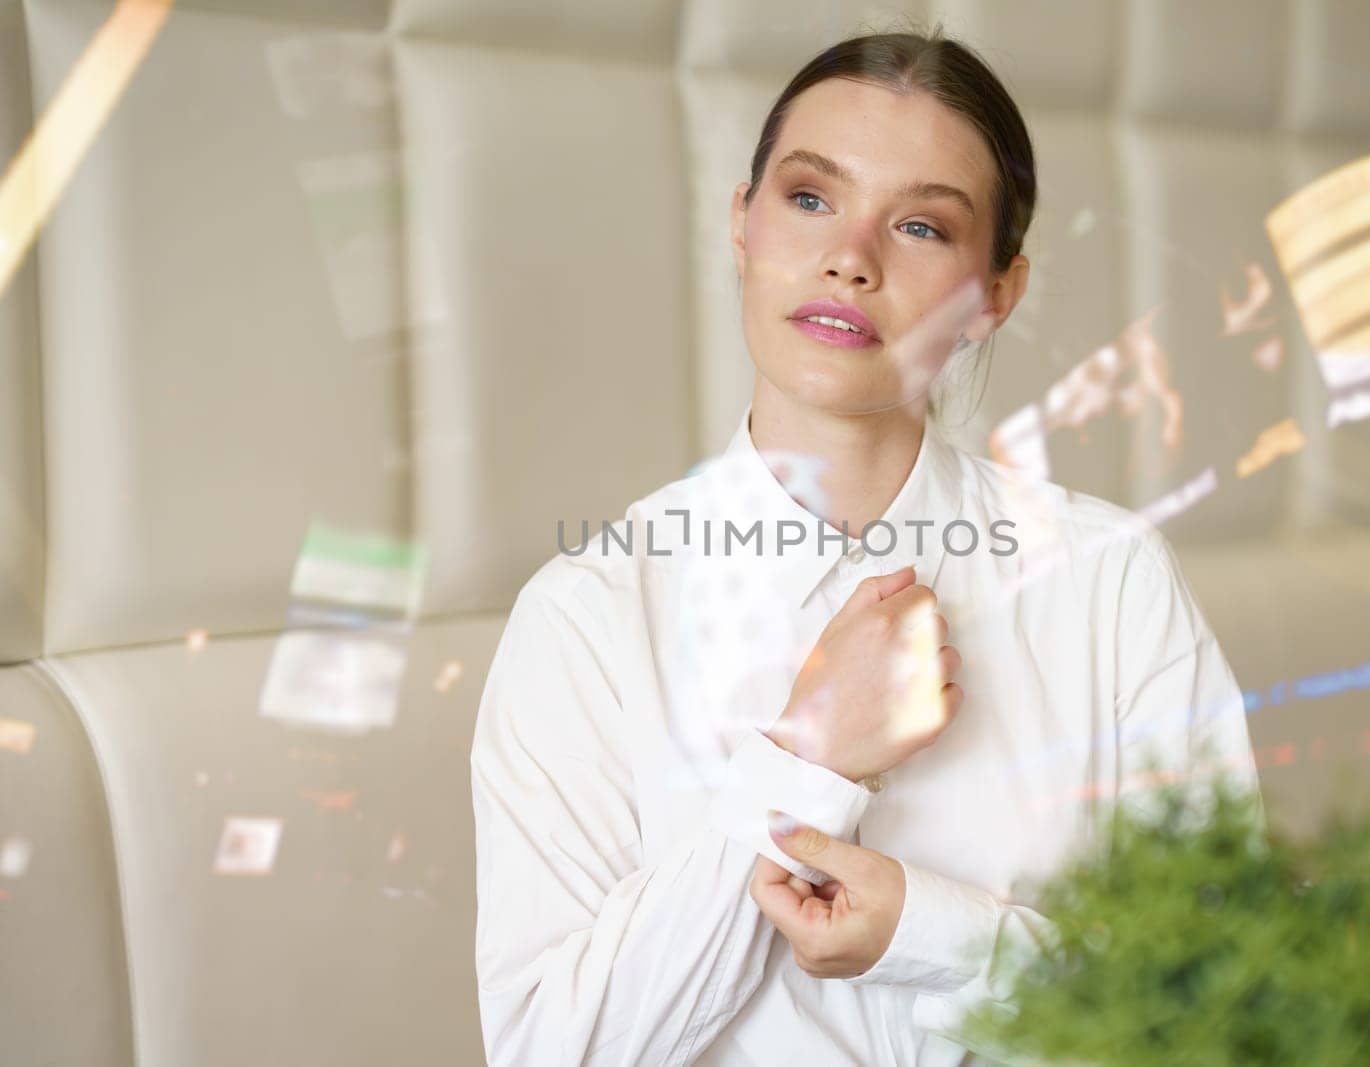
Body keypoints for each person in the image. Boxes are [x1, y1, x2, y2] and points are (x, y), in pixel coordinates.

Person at [470, 26, 1258, 1066]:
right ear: (741, 224)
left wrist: (932, 936)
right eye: (808, 198)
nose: (851, 256)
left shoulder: (1108, 584)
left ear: (996, 295)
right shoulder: (590, 614)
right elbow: (549, 1050)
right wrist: (804, 759)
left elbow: (1229, 1003)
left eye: (923, 225)